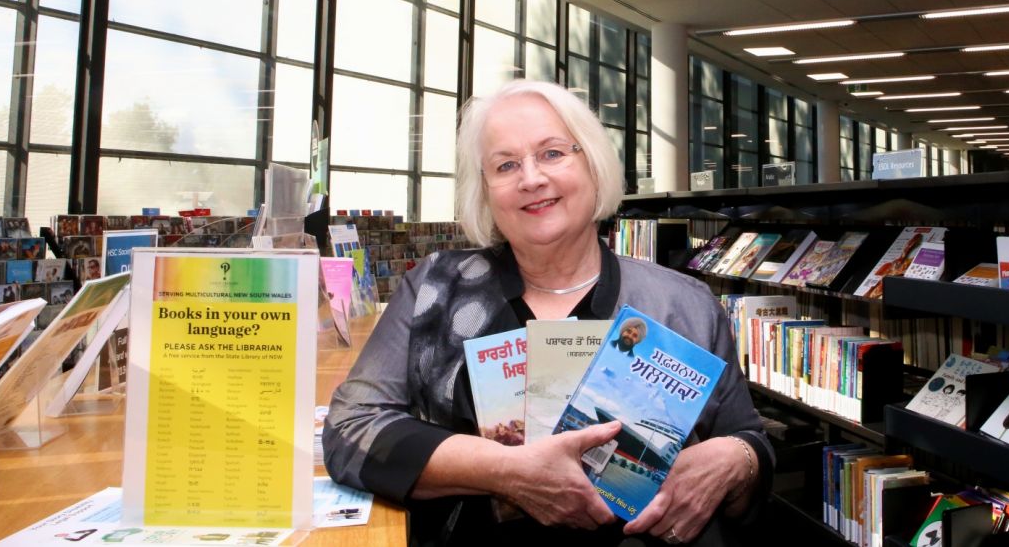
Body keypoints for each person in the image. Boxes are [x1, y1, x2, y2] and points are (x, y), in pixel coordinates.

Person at [324, 80, 774, 546]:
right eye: (506, 165)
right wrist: (505, 471)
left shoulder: (684, 303)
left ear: (594, 164)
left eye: (553, 153)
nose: (531, 178)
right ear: (485, 189)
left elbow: (750, 443)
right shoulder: (437, 288)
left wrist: (736, 460)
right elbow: (349, 429)